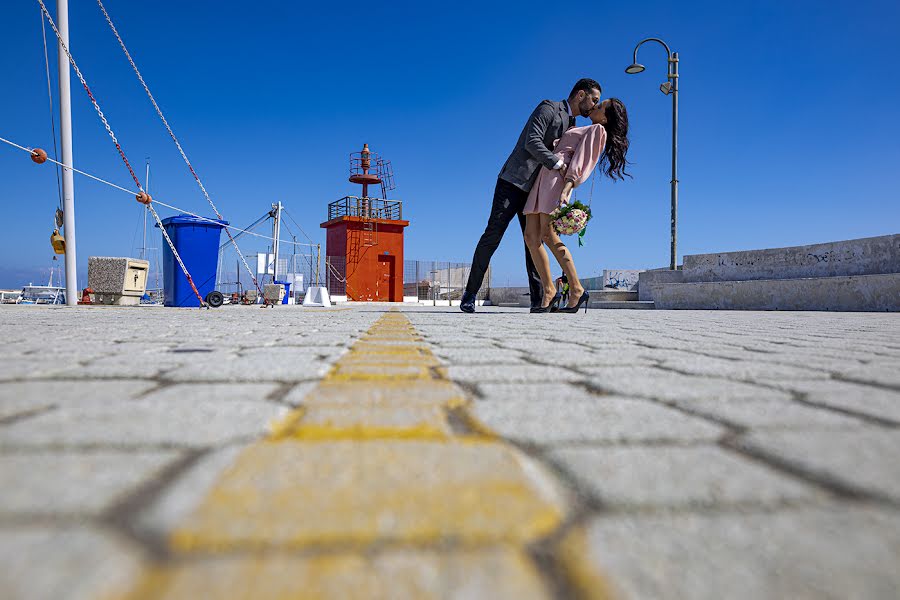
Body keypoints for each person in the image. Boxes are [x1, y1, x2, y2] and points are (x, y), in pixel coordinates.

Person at [460, 79, 602, 313]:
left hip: (537, 191)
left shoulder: (573, 122)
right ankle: (470, 294)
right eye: (593, 99)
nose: (594, 105)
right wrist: (556, 163)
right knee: (493, 235)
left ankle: (540, 299)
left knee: (533, 241)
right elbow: (532, 141)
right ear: (580, 95)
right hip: (513, 181)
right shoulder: (548, 108)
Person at [522, 98, 630, 313]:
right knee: (530, 236)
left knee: (549, 235)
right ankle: (550, 289)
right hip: (544, 176)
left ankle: (577, 289)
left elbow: (583, 160)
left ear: (606, 117)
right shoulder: (586, 126)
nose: (594, 107)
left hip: (557, 180)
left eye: (599, 107)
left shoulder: (598, 129)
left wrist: (567, 186)